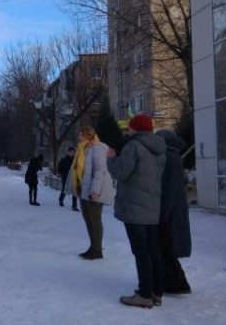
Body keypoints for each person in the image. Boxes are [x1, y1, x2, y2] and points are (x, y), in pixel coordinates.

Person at [107, 114, 167, 308]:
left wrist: (112, 159)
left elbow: (120, 173)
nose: (128, 130)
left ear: (135, 129)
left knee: (140, 251)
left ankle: (144, 294)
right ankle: (157, 291)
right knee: (152, 250)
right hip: (152, 206)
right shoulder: (160, 149)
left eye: (130, 127)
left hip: (134, 206)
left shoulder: (133, 146)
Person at [68, 128, 115, 260]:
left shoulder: (98, 148)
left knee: (95, 219)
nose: (79, 138)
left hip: (93, 191)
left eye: (81, 135)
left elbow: (100, 170)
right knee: (88, 219)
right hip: (84, 189)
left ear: (89, 136)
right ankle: (93, 246)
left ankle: (97, 249)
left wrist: (95, 190)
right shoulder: (84, 149)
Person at [155, 129, 192, 295]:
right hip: (171, 209)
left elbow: (168, 189)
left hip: (169, 211)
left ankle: (177, 283)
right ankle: (176, 282)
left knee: (166, 247)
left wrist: (163, 214)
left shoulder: (169, 157)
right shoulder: (172, 155)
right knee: (166, 247)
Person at [57, 146, 78, 211]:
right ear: (68, 152)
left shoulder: (75, 160)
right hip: (66, 177)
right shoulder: (63, 160)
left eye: (74, 152)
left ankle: (74, 205)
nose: (72, 153)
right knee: (64, 189)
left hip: (74, 177)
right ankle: (61, 200)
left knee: (75, 191)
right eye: (71, 152)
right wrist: (63, 174)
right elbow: (59, 168)